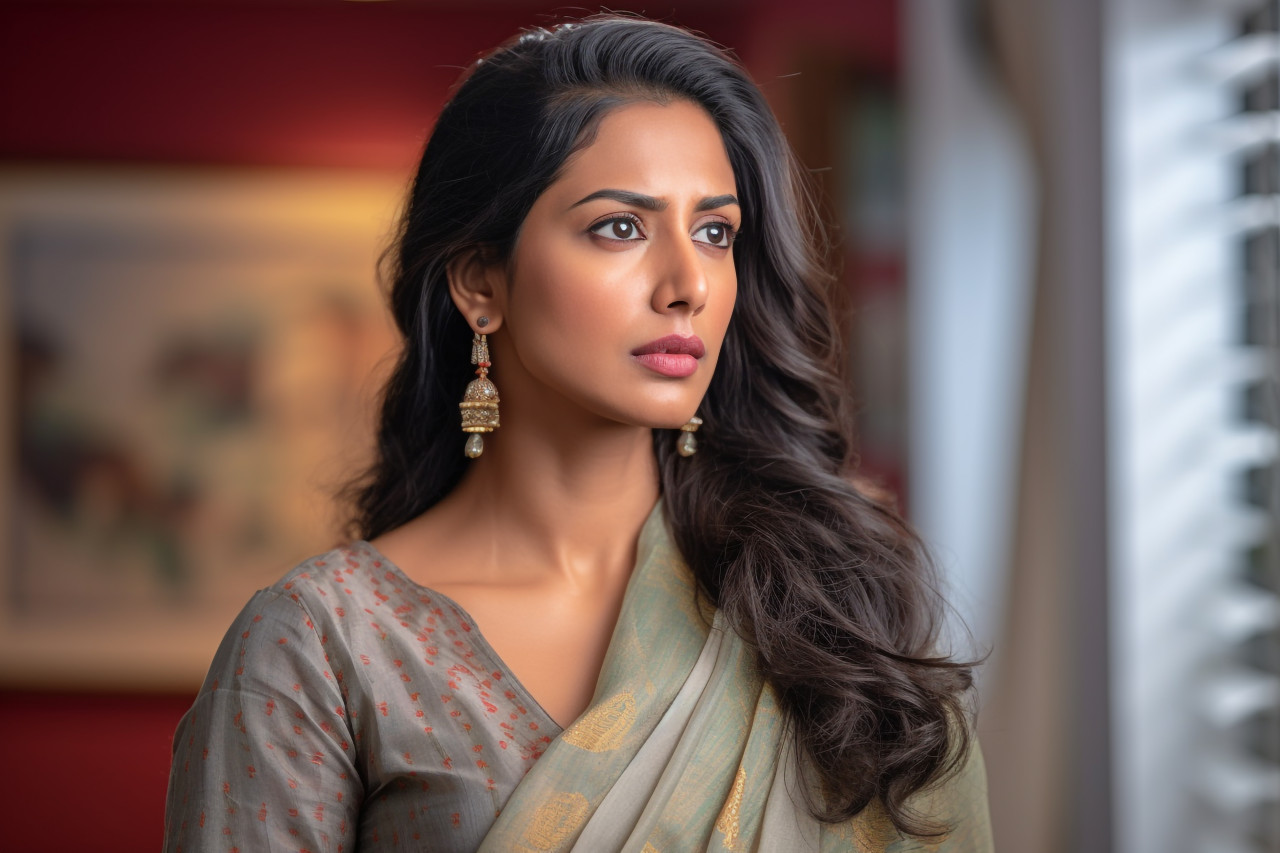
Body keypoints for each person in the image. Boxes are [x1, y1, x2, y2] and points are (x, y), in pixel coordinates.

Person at [163, 15, 992, 852]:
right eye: (620, 227)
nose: (686, 286)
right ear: (480, 283)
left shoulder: (834, 605)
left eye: (714, 232)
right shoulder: (323, 646)